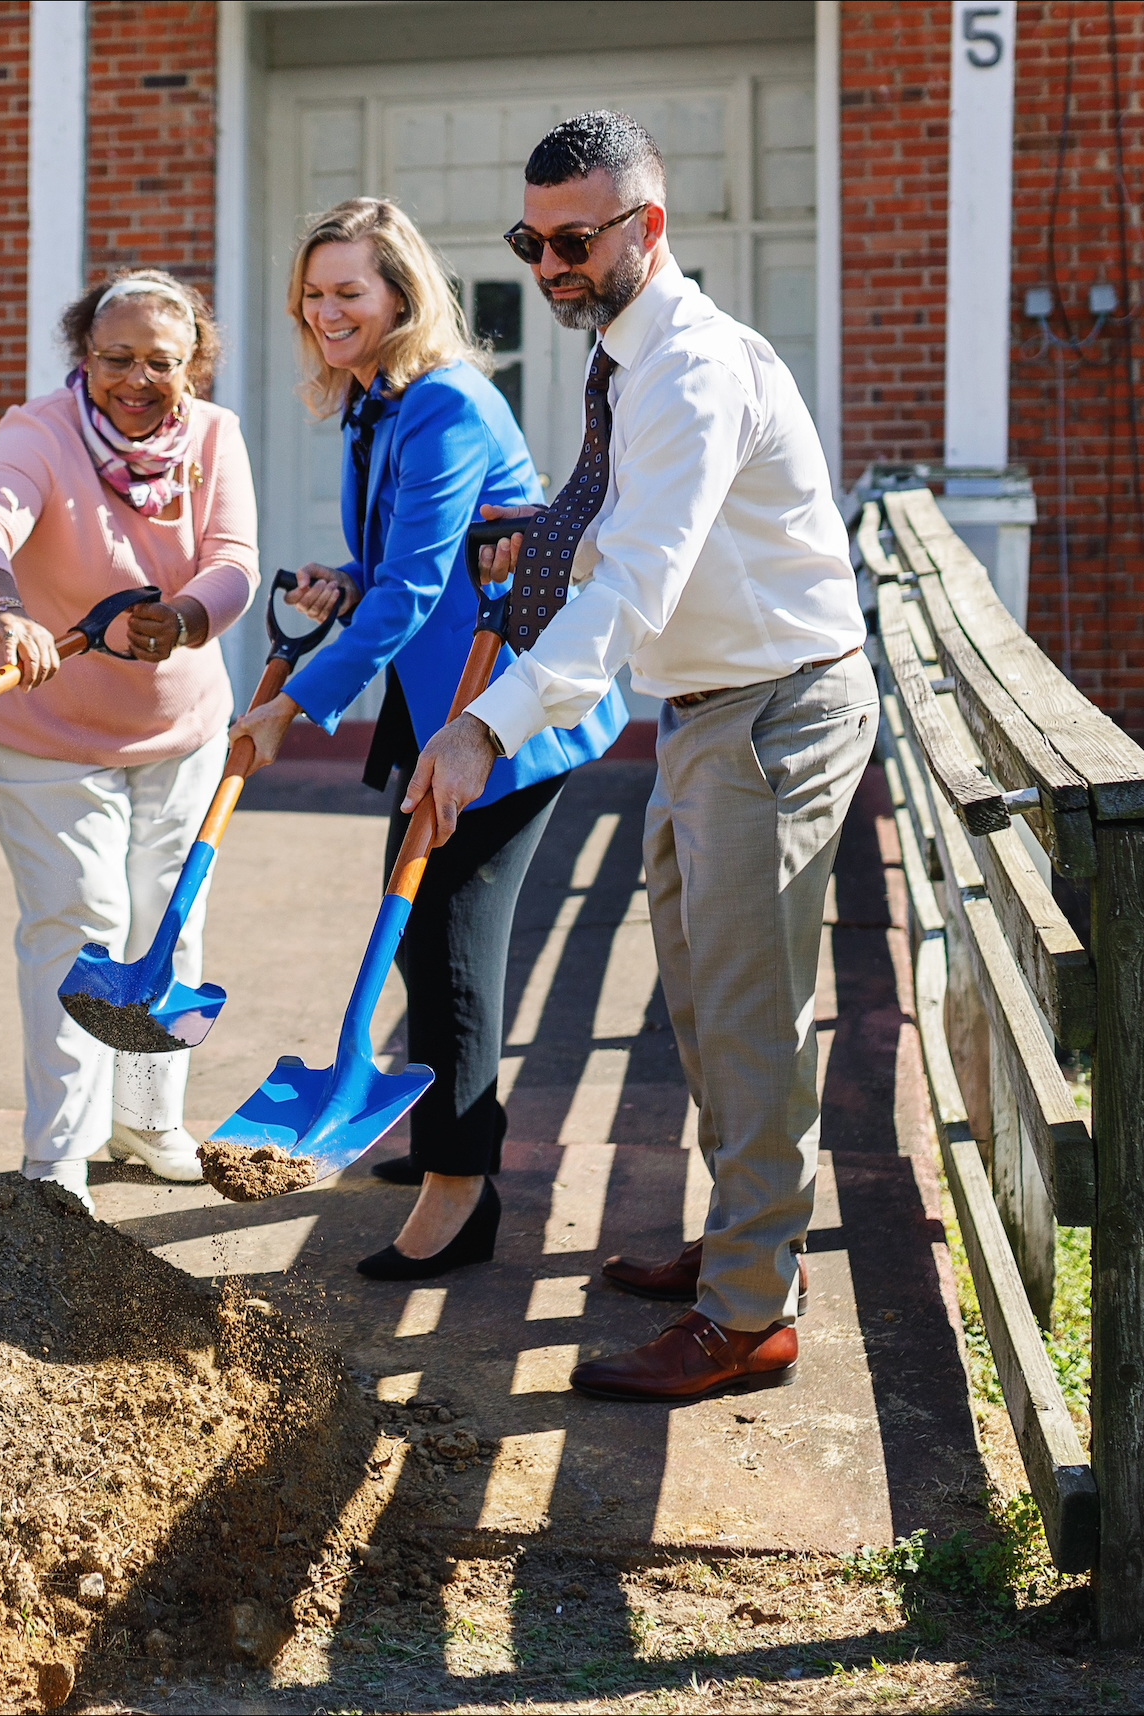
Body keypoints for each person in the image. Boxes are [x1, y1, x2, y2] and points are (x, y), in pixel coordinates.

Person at [401, 112, 875, 1401]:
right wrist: (533, 529)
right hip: (704, 714)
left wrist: (487, 720)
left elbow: (634, 591)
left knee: (747, 1018)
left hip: (772, 711)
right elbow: (602, 517)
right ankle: (740, 1250)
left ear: (645, 228)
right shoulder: (619, 352)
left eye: (571, 240)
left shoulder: (692, 369)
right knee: (699, 1003)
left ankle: (748, 1318)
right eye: (528, 240)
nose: (547, 265)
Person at [230, 198, 626, 1279]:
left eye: (347, 291)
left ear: (400, 295)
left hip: (503, 704)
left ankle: (461, 1193)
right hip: (434, 691)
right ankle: (435, 1138)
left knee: (452, 937)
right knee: (415, 931)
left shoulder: (445, 405)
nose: (324, 311)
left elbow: (412, 592)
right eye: (312, 294)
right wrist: (339, 584)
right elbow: (408, 569)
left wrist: (293, 703)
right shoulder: (376, 404)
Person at [0, 269, 260, 1214]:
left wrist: (190, 618)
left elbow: (234, 562)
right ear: (84, 354)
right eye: (114, 358)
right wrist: (1, 607)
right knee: (79, 926)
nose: (134, 379)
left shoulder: (213, 436)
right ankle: (59, 1158)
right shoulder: (36, 433)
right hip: (41, 729)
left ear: (191, 364)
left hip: (180, 726)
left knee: (168, 924)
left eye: (158, 362)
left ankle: (146, 1115)